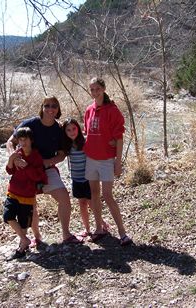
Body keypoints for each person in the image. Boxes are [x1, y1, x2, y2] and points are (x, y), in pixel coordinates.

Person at [6, 96, 82, 244]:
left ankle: (66, 234)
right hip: (25, 169)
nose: (50, 109)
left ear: (58, 109)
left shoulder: (59, 130)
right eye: (47, 105)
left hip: (46, 169)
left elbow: (61, 154)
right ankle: (36, 238)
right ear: (42, 107)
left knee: (64, 198)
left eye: (54, 106)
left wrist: (47, 162)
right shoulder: (30, 124)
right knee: (30, 204)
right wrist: (13, 158)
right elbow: (10, 141)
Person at [83, 77, 133, 246]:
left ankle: (122, 232)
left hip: (106, 160)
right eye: (92, 89)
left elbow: (119, 137)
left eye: (97, 89)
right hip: (90, 158)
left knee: (108, 195)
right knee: (94, 193)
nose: (94, 92)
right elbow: (87, 134)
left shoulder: (112, 110)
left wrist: (118, 162)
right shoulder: (89, 110)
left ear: (103, 89)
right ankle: (99, 228)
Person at [3, 127, 47, 260]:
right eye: (20, 139)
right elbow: (9, 171)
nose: (23, 142)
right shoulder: (17, 153)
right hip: (13, 192)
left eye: (25, 139)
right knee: (8, 216)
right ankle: (25, 240)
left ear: (31, 140)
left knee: (23, 224)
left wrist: (26, 166)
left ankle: (21, 249)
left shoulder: (36, 156)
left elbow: (38, 176)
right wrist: (11, 159)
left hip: (27, 196)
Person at [62, 118, 109, 238]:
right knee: (82, 203)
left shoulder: (85, 141)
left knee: (91, 202)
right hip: (76, 179)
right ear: (65, 132)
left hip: (89, 178)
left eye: (74, 129)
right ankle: (87, 229)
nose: (72, 132)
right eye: (68, 130)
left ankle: (102, 224)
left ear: (78, 128)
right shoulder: (66, 145)